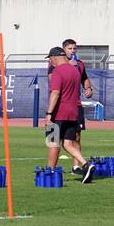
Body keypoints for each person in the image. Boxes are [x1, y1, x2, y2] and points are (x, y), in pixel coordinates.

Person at [45, 47, 95, 184]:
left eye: (50, 59)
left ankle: (50, 172)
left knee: (53, 143)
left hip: (59, 113)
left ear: (55, 57)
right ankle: (86, 164)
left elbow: (55, 93)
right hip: (73, 113)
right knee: (67, 143)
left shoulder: (57, 71)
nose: (50, 62)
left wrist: (49, 113)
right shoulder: (75, 71)